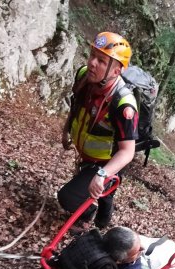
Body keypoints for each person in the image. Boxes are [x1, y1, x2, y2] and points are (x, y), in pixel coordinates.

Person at [57, 32, 138, 232]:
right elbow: (76, 107)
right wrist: (67, 131)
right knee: (99, 190)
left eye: (101, 61)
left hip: (107, 162)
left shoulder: (123, 104)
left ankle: (96, 221)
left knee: (70, 197)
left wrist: (103, 173)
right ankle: (99, 216)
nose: (92, 63)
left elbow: (127, 151)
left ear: (116, 71)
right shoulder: (84, 76)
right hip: (88, 155)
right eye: (92, 55)